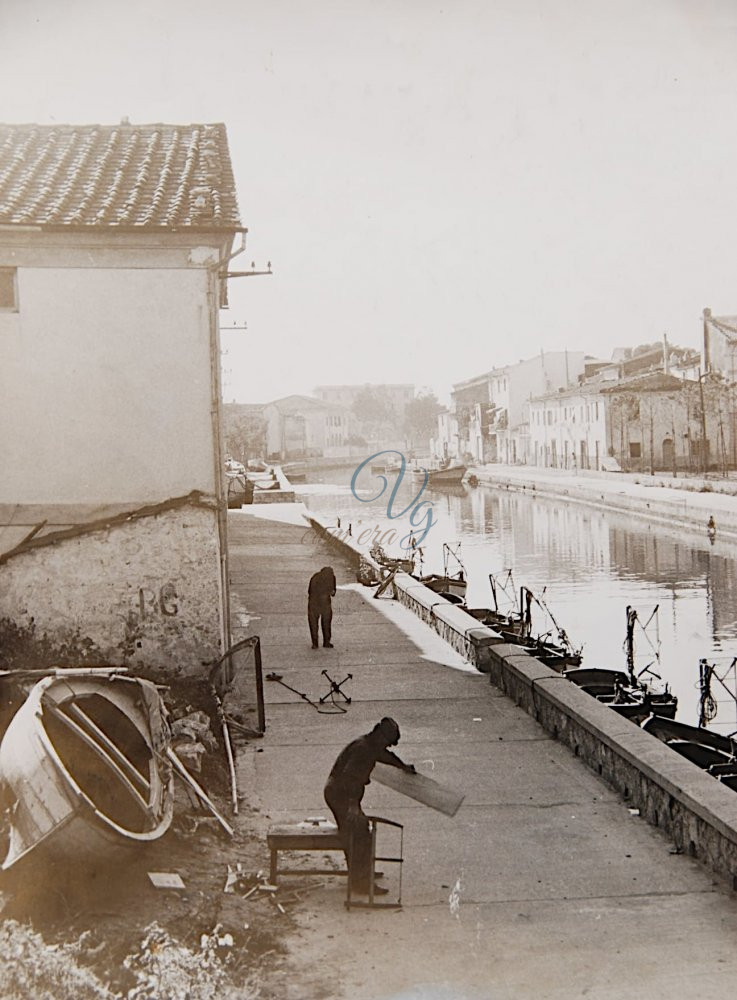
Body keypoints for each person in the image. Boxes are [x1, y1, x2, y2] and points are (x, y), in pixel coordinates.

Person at [324, 717, 415, 895]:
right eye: (388, 742)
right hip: (340, 795)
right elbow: (350, 777)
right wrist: (352, 805)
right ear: (381, 736)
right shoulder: (363, 750)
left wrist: (402, 766)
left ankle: (358, 873)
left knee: (354, 831)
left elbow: (386, 756)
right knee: (359, 832)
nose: (388, 746)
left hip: (339, 792)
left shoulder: (370, 744)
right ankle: (361, 883)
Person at [308, 565, 337, 649]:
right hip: (324, 602)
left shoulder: (315, 577)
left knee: (313, 623)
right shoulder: (332, 578)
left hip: (313, 602)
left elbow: (309, 591)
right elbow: (333, 592)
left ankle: (315, 643)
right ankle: (326, 642)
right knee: (326, 623)